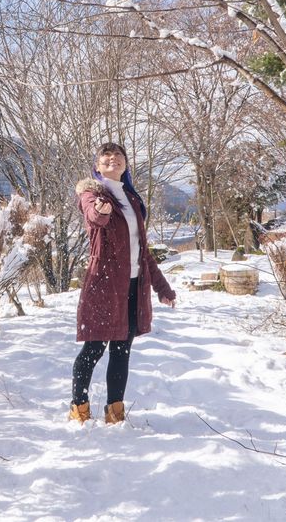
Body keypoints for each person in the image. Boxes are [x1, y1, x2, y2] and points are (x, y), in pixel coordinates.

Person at [69, 142, 176, 425]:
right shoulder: (93, 193)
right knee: (94, 348)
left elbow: (143, 251)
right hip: (103, 284)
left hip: (132, 288)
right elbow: (94, 217)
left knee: (121, 350)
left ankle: (115, 413)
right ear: (97, 165)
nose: (112, 158)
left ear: (126, 164)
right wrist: (102, 210)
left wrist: (162, 288)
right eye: (106, 155)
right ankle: (79, 409)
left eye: (118, 155)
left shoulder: (131, 199)